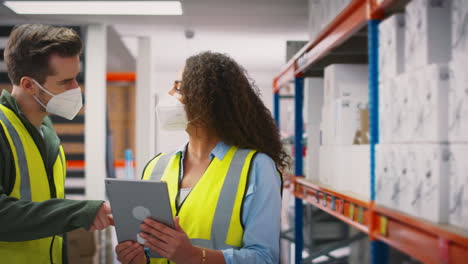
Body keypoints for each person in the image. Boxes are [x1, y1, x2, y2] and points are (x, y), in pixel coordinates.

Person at [115, 51, 289, 264]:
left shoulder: (256, 167)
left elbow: (265, 258)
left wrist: (195, 257)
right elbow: (150, 249)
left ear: (207, 100)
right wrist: (139, 259)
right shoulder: (156, 166)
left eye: (178, 88)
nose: (169, 95)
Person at [0, 24, 113, 264]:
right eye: (66, 82)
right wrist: (77, 213)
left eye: (76, 78)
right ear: (29, 85)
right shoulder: (2, 129)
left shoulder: (47, 133)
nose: (76, 89)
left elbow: (49, 224)